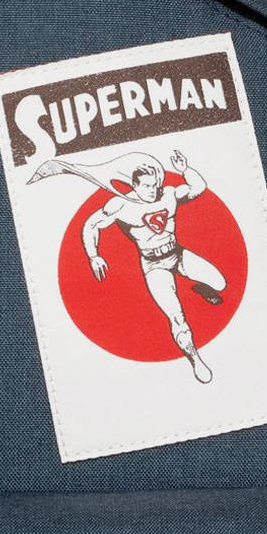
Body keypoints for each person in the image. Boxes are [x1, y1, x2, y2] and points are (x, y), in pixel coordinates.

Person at [33, 150, 226, 383]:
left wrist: (185, 169)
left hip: (177, 253)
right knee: (177, 318)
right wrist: (93, 256)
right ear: (135, 185)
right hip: (154, 266)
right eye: (147, 186)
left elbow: (199, 187)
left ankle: (200, 287)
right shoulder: (121, 205)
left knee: (221, 283)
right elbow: (90, 225)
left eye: (155, 185)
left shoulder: (168, 194)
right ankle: (195, 360)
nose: (152, 190)